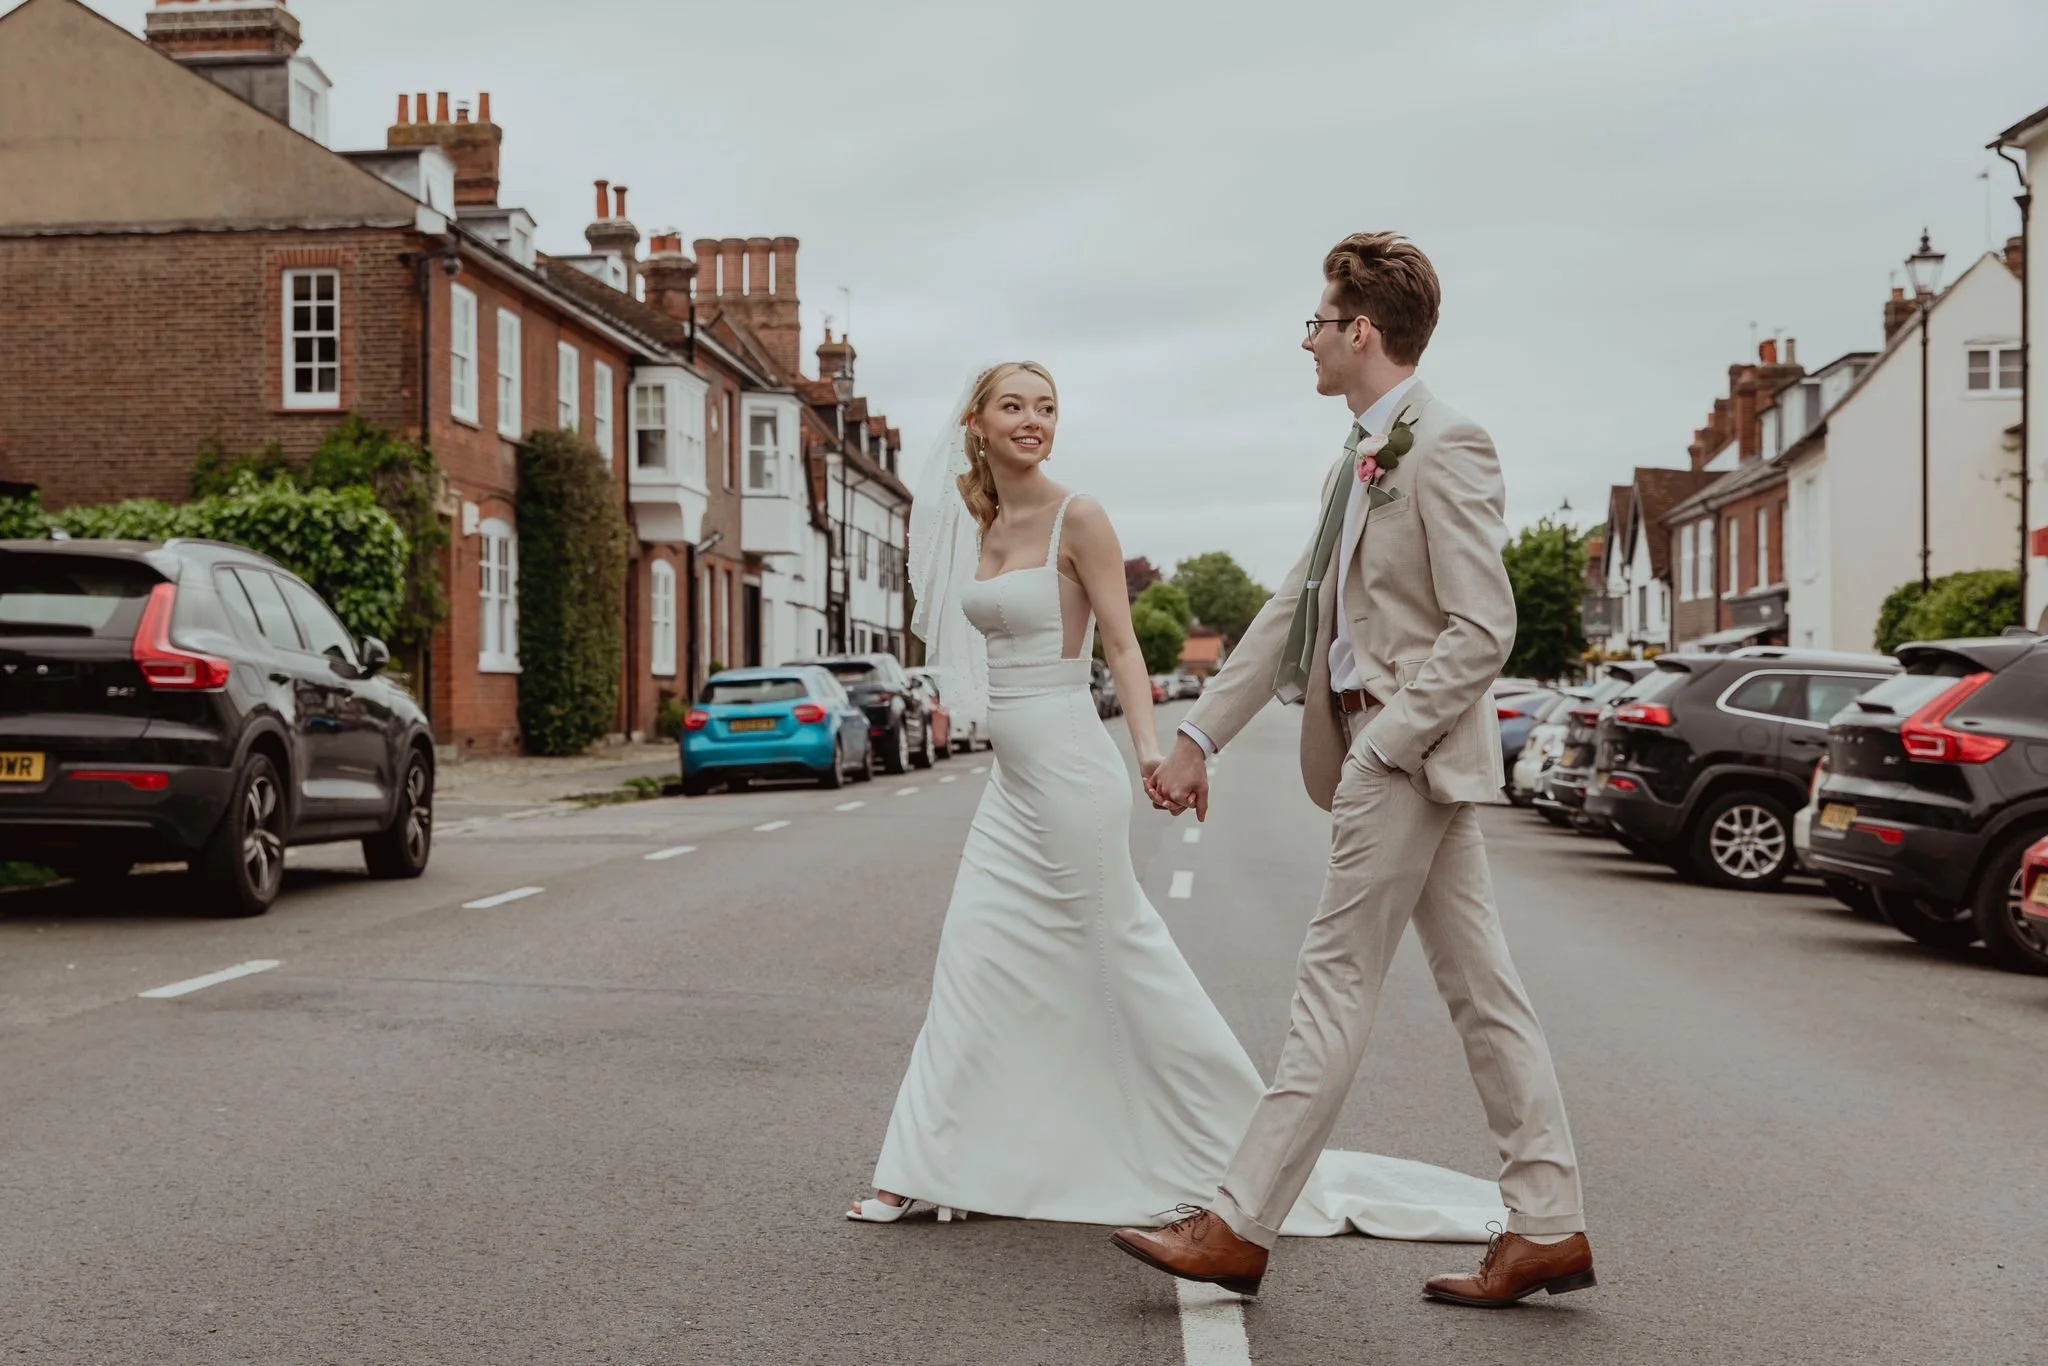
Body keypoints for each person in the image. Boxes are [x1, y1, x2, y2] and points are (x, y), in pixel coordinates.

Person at [848, 360, 1506, 1260]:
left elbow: (1121, 644)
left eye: (1047, 406)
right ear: (978, 423)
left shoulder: (1080, 516)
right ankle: (923, 1163)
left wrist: (1158, 749)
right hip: (1010, 785)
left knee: (1121, 959)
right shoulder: (987, 521)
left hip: (1073, 773)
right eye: (1015, 406)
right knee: (976, 956)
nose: (1034, 420)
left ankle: (1237, 1158)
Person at [1113, 233, 1596, 1307]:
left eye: (1317, 324)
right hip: (1399, 756)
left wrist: (1386, 739)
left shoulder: (1446, 444)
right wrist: (1200, 737)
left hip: (1402, 754)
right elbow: (1295, 606)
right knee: (1485, 995)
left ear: (1359, 331)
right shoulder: (1358, 459)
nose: (1307, 342)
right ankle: (1547, 1224)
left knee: (1331, 988)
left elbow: (1483, 626)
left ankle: (1236, 1223)